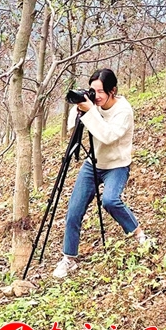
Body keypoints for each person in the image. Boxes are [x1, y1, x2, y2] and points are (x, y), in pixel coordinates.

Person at [53, 68, 147, 279]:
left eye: (100, 92)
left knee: (110, 201)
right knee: (74, 210)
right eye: (92, 90)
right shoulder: (92, 104)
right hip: (93, 163)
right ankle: (69, 258)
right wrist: (80, 107)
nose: (96, 96)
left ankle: (139, 234)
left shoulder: (123, 111)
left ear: (112, 91)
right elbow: (71, 127)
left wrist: (90, 112)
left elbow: (107, 136)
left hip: (117, 165)